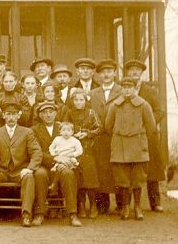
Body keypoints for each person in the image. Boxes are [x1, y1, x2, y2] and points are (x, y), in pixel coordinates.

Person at [0, 103, 42, 227]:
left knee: (29, 177)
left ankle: (26, 214)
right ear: (3, 115)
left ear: (19, 115)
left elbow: (36, 152)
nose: (11, 118)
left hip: (20, 170)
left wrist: (30, 168)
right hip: (2, 170)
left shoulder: (27, 132)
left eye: (14, 114)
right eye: (8, 114)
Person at [105, 76, 156, 220]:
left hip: (138, 147)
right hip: (120, 146)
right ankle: (126, 207)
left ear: (135, 88)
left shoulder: (143, 105)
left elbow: (151, 127)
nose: (127, 90)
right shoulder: (114, 105)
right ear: (121, 88)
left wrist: (137, 138)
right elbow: (108, 126)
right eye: (124, 87)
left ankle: (138, 207)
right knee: (122, 179)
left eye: (130, 87)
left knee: (138, 179)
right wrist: (121, 136)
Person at [123, 59, 166, 212]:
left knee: (152, 169)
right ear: (127, 72)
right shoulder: (124, 90)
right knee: (129, 169)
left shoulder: (150, 91)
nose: (134, 72)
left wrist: (146, 125)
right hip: (129, 136)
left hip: (147, 135)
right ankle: (129, 204)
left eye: (137, 70)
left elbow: (160, 112)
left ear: (142, 72)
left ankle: (155, 202)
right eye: (131, 70)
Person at [31, 102, 81, 226]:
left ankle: (73, 214)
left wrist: (67, 160)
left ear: (55, 113)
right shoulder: (34, 130)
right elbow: (36, 151)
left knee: (68, 174)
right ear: (40, 115)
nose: (48, 115)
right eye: (45, 113)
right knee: (40, 174)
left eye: (51, 112)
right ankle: (39, 214)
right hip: (45, 163)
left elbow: (73, 145)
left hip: (65, 163)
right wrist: (57, 158)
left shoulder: (63, 127)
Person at [60, 89, 102, 218]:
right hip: (74, 150)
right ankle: (81, 206)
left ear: (86, 101)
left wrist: (87, 133)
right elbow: (63, 127)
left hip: (88, 149)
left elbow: (100, 127)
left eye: (81, 100)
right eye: (76, 100)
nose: (78, 102)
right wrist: (71, 134)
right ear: (72, 101)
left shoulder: (91, 113)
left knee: (91, 179)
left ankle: (93, 206)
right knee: (79, 179)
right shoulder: (69, 113)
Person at [90, 59, 122, 214]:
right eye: (103, 72)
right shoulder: (93, 94)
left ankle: (122, 204)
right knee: (101, 170)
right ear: (99, 75)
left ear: (114, 73)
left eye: (109, 71)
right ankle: (103, 204)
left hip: (117, 137)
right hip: (99, 138)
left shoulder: (122, 91)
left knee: (119, 169)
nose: (106, 75)